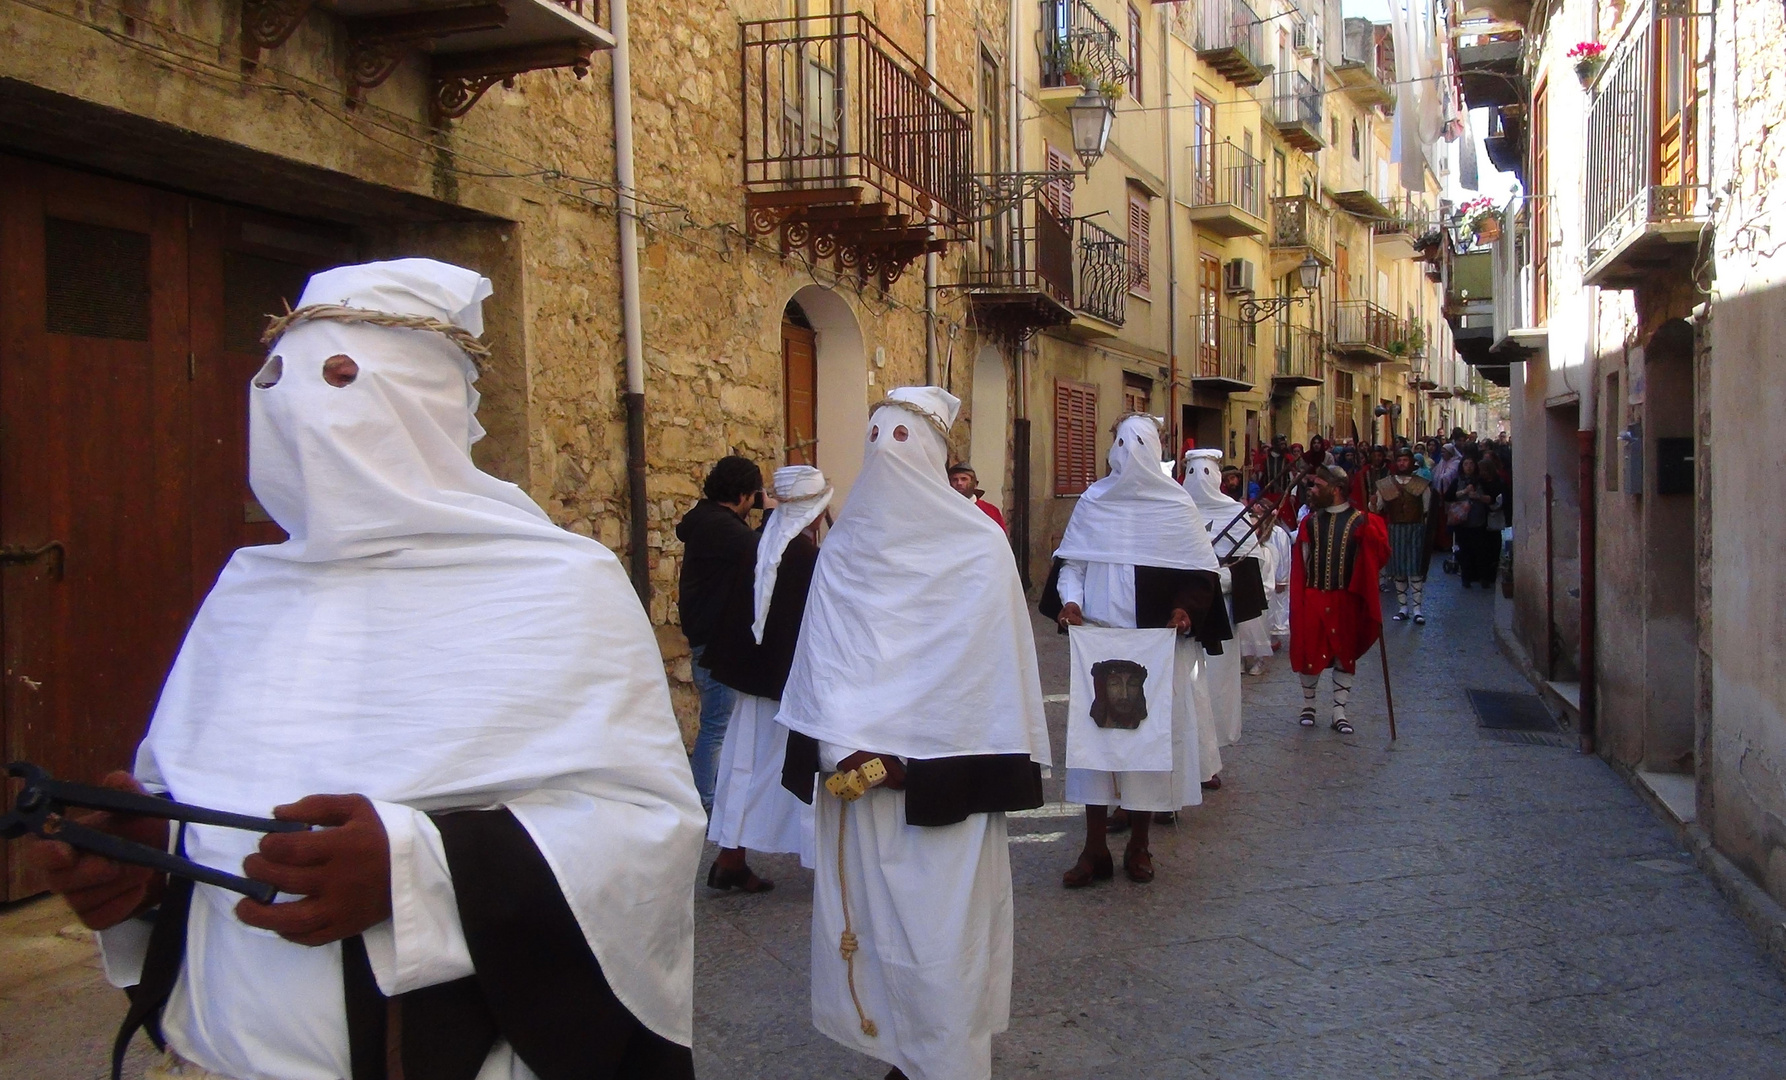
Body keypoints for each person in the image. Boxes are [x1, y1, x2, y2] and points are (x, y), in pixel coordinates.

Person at [26, 260, 706, 1080]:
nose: (304, 409)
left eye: (341, 378)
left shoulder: (558, 584)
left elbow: (648, 832)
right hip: (214, 1053)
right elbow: (207, 802)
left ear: (425, 398)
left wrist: (416, 871)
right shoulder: (248, 589)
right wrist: (147, 854)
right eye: (276, 380)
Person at [777, 387, 1051, 1080]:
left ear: (931, 452)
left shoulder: (981, 548)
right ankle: (900, 1052)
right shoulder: (846, 548)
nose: (885, 455)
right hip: (860, 784)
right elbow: (824, 656)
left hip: (947, 786)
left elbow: (989, 670)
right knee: (870, 927)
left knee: (942, 935)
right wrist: (846, 748)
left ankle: (949, 1059)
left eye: (902, 440)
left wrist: (920, 758)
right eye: (875, 439)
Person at [1043, 416, 1227, 887]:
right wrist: (1071, 601)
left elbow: (1198, 573)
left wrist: (1185, 610)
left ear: (1154, 450)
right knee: (1095, 746)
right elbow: (1074, 564)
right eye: (1120, 442)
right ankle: (1094, 848)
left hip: (1153, 647)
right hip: (1099, 642)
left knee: (1147, 743)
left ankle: (1140, 845)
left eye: (1137, 443)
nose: (1127, 452)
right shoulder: (1093, 502)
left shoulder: (1176, 506)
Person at [697, 465, 832, 893]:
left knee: (745, 766)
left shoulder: (759, 548)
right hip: (792, 687)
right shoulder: (807, 558)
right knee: (804, 770)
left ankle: (731, 857)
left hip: (756, 682)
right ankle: (826, 866)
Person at [676, 455, 764, 810]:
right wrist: (773, 515)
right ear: (743, 494)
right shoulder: (722, 527)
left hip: (707, 640)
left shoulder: (704, 519)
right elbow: (761, 552)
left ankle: (711, 798)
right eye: (753, 496)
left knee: (719, 724)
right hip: (716, 644)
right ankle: (705, 803)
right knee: (717, 727)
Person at [1290, 465, 1389, 734]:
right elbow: (1304, 558)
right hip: (1313, 594)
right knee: (1310, 650)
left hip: (1346, 597)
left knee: (1343, 654)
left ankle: (1339, 710)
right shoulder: (1309, 522)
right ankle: (1308, 705)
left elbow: (1378, 558)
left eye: (1317, 486)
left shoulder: (1361, 521)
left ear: (1336, 490)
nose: (1311, 491)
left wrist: (1372, 540)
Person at [1185, 448, 1273, 694]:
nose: (1198, 479)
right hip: (1183, 608)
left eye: (1204, 472)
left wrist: (1219, 578)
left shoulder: (1233, 513)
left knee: (1218, 680)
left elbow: (1249, 567)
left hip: (1221, 609)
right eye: (1192, 472)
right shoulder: (1174, 511)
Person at [1372, 447, 1433, 625]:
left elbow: (1428, 510)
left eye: (1405, 460)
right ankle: (1403, 608)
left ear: (1411, 462)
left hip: (1416, 529)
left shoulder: (1421, 484)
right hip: (1395, 530)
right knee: (1398, 570)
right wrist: (1373, 502)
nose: (1402, 463)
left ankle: (1417, 609)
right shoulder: (1387, 484)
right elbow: (1376, 509)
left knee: (1415, 570)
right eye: (1399, 460)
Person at [1450, 457, 1503, 588]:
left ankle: (1483, 577)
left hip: (1479, 521)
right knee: (1464, 551)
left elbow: (1492, 498)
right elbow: (1448, 496)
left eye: (1471, 464)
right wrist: (1464, 492)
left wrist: (1478, 496)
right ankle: (1466, 577)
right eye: (1465, 464)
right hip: (1462, 522)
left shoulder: (1482, 482)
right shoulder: (1457, 480)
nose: (1468, 467)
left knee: (1481, 551)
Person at [948, 462, 1007, 530]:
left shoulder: (991, 511)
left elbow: (999, 537)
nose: (959, 483)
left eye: (964, 479)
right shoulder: (946, 507)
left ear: (975, 484)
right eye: (955, 480)